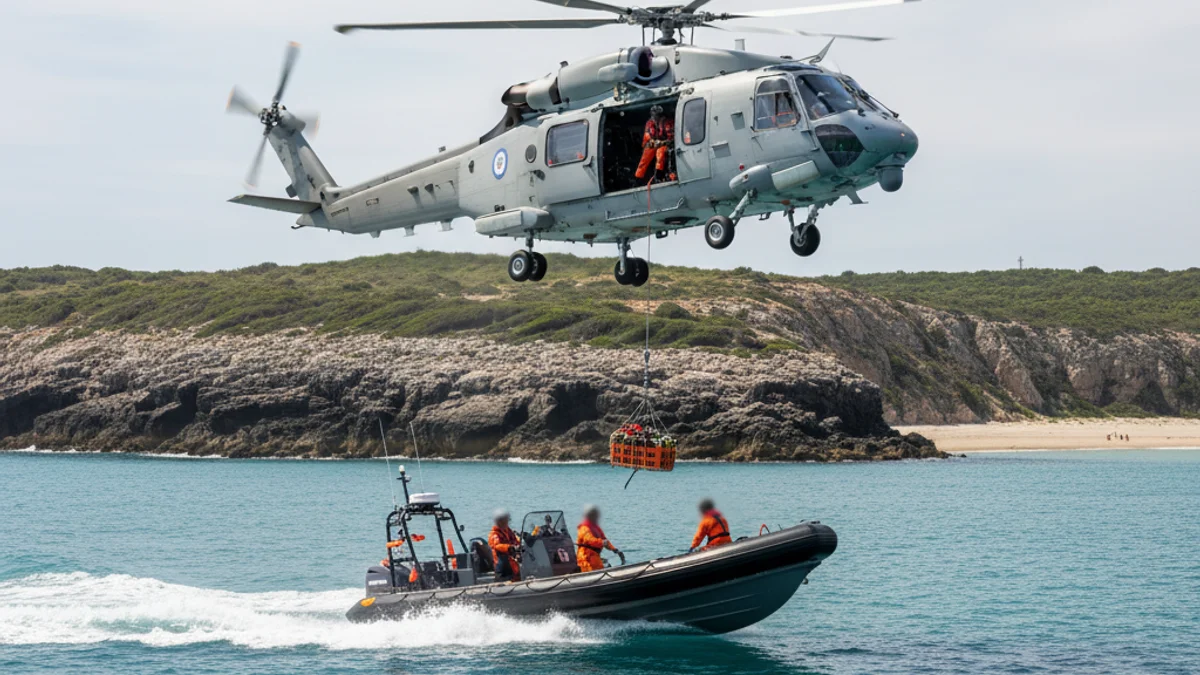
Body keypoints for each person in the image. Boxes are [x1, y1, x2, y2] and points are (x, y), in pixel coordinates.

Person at [576, 505, 625, 572]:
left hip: (595, 558)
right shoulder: (584, 528)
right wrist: (601, 542)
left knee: (601, 571)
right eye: (595, 515)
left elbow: (605, 540)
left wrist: (614, 549)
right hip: (586, 560)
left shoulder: (596, 528)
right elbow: (590, 540)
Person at [634, 105, 674, 182]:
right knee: (646, 154)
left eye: (656, 115)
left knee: (660, 153)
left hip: (666, 144)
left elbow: (672, 138)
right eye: (653, 115)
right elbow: (648, 134)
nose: (654, 117)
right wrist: (653, 142)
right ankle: (638, 177)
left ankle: (659, 174)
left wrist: (662, 142)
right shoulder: (650, 123)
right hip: (654, 143)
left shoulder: (667, 123)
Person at [488, 509, 522, 582]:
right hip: (502, 567)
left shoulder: (508, 531)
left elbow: (515, 539)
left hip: (512, 563)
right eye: (506, 521)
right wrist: (509, 547)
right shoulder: (494, 534)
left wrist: (520, 543)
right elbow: (497, 545)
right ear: (500, 522)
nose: (507, 522)